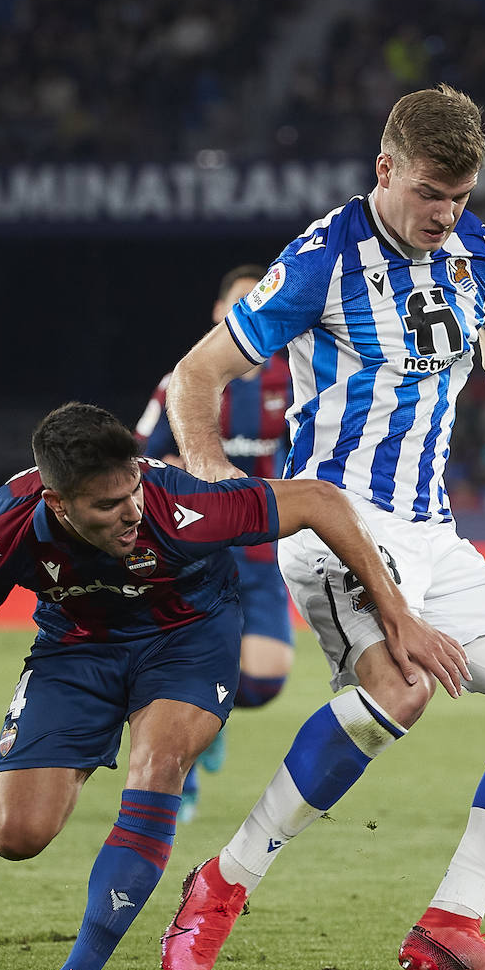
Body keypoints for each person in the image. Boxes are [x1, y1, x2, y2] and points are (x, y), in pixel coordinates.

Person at [159, 84, 485, 970]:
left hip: (433, 534)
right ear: (386, 169)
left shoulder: (479, 254)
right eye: (432, 193)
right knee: (399, 684)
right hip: (336, 524)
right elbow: (196, 375)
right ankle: (225, 881)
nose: (446, 215)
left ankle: (452, 922)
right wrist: (212, 484)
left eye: (462, 197)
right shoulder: (322, 260)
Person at [0, 401, 467, 970]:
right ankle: (34, 762)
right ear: (59, 504)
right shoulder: (6, 529)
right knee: (18, 835)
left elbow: (319, 500)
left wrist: (396, 614)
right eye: (107, 506)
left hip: (187, 640)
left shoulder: (181, 506)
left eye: (132, 492)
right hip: (76, 649)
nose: (131, 512)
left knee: (159, 764)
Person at [135, 265, 294, 819]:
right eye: (238, 304)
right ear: (217, 313)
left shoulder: (295, 380)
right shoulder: (184, 380)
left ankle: (213, 719)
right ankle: (184, 775)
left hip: (263, 552)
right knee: (191, 669)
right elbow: (140, 457)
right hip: (196, 553)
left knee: (264, 681)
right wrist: (183, 469)